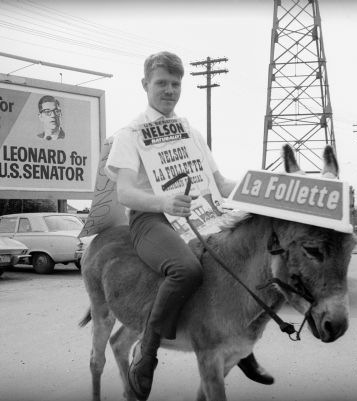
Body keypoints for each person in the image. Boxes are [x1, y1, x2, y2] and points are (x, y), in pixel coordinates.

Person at [105, 51, 273, 401]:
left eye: (175, 84)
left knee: (243, 254)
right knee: (186, 269)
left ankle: (243, 348)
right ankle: (146, 354)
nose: (169, 90)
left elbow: (221, 184)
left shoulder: (190, 133)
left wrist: (260, 189)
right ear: (145, 85)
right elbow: (124, 192)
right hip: (152, 219)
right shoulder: (130, 134)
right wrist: (162, 202)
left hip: (201, 214)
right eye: (161, 83)